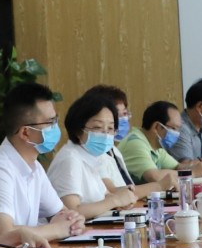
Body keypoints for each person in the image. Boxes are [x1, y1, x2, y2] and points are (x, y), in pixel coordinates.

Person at [0, 82, 85, 244]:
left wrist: (73, 221)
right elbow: (5, 235)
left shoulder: (34, 167)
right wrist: (57, 229)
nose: (55, 128)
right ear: (26, 133)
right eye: (50, 122)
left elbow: (61, 214)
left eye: (56, 120)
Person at [48, 90, 139, 219]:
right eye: (97, 127)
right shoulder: (70, 159)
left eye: (110, 128)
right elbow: (71, 211)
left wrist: (123, 198)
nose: (105, 134)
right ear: (78, 130)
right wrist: (115, 201)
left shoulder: (91, 157)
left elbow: (105, 197)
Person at [120, 100, 202, 183]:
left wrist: (198, 167)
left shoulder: (156, 146)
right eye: (173, 128)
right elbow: (155, 176)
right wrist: (193, 173)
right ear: (157, 127)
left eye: (178, 129)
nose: (177, 134)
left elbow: (178, 167)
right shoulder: (135, 143)